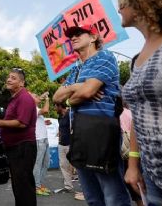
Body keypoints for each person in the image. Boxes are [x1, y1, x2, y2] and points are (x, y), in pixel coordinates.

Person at [52, 25, 130, 206]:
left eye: (78, 34)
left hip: (102, 130)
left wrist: (71, 98)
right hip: (79, 133)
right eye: (71, 36)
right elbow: (57, 97)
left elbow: (87, 92)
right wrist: (76, 88)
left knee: (113, 196)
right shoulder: (76, 68)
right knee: (92, 197)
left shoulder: (105, 57)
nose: (73, 38)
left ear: (93, 37)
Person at [118, 0, 162, 204]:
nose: (119, 8)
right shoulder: (136, 61)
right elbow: (138, 116)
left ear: (144, 0)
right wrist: (133, 164)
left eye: (123, 2)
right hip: (152, 177)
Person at [0, 68, 37, 206]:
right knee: (18, 185)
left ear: (21, 83)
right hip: (14, 148)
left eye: (13, 78)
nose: (9, 79)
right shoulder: (15, 98)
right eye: (8, 77)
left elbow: (22, 123)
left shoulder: (24, 97)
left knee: (24, 186)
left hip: (23, 147)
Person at [31, 91, 51, 196]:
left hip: (44, 139)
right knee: (38, 164)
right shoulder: (32, 108)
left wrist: (44, 122)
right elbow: (46, 110)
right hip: (39, 140)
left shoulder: (37, 109)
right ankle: (36, 187)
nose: (37, 96)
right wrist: (47, 99)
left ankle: (40, 185)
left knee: (46, 163)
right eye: (35, 96)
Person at [54, 102, 74, 193]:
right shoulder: (60, 117)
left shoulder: (70, 114)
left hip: (71, 144)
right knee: (64, 165)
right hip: (61, 144)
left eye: (55, 106)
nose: (54, 108)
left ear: (60, 106)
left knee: (76, 166)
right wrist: (59, 134)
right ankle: (68, 186)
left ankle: (85, 189)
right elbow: (60, 128)